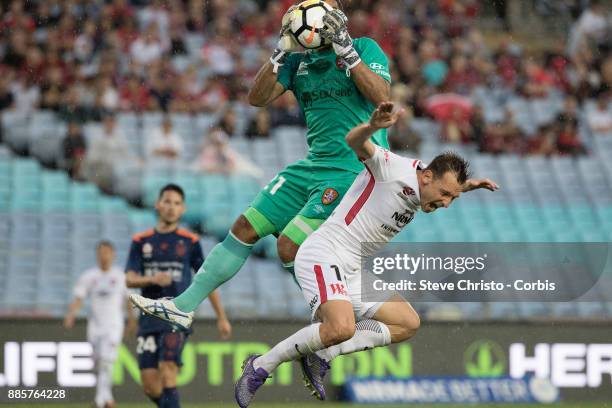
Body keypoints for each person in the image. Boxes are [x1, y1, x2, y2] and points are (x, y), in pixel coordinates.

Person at [130, 0, 394, 329]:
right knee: (245, 227)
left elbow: (383, 96)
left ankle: (337, 318)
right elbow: (257, 98)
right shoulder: (298, 62)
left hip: (352, 170)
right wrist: (280, 51)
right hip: (312, 166)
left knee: (289, 245)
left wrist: (346, 51)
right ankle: (183, 306)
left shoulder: (364, 47)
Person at [234, 102, 498, 407]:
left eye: (453, 197)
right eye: (445, 195)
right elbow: (354, 142)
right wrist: (373, 127)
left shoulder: (427, 183)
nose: (447, 203)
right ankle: (261, 366)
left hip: (351, 267)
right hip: (325, 253)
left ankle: (323, 353)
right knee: (340, 328)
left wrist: (467, 186)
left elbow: (446, 184)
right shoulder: (391, 168)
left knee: (407, 323)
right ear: (426, 177)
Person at [126, 184, 232, 408]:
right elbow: (129, 279)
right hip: (148, 318)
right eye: (167, 201)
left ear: (182, 209)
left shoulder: (190, 241)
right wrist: (152, 280)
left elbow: (207, 279)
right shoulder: (141, 241)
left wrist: (221, 316)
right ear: (158, 204)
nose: (171, 207)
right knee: (150, 386)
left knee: (168, 371)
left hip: (177, 316)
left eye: (176, 203)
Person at [64, 241, 136, 408]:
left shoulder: (120, 276)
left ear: (113, 254)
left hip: (113, 326)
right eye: (101, 252)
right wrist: (71, 315)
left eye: (107, 252)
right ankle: (107, 397)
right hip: (95, 326)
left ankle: (100, 400)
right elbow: (79, 298)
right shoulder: (89, 276)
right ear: (97, 255)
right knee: (98, 362)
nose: (104, 256)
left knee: (106, 361)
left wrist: (131, 321)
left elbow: (129, 300)